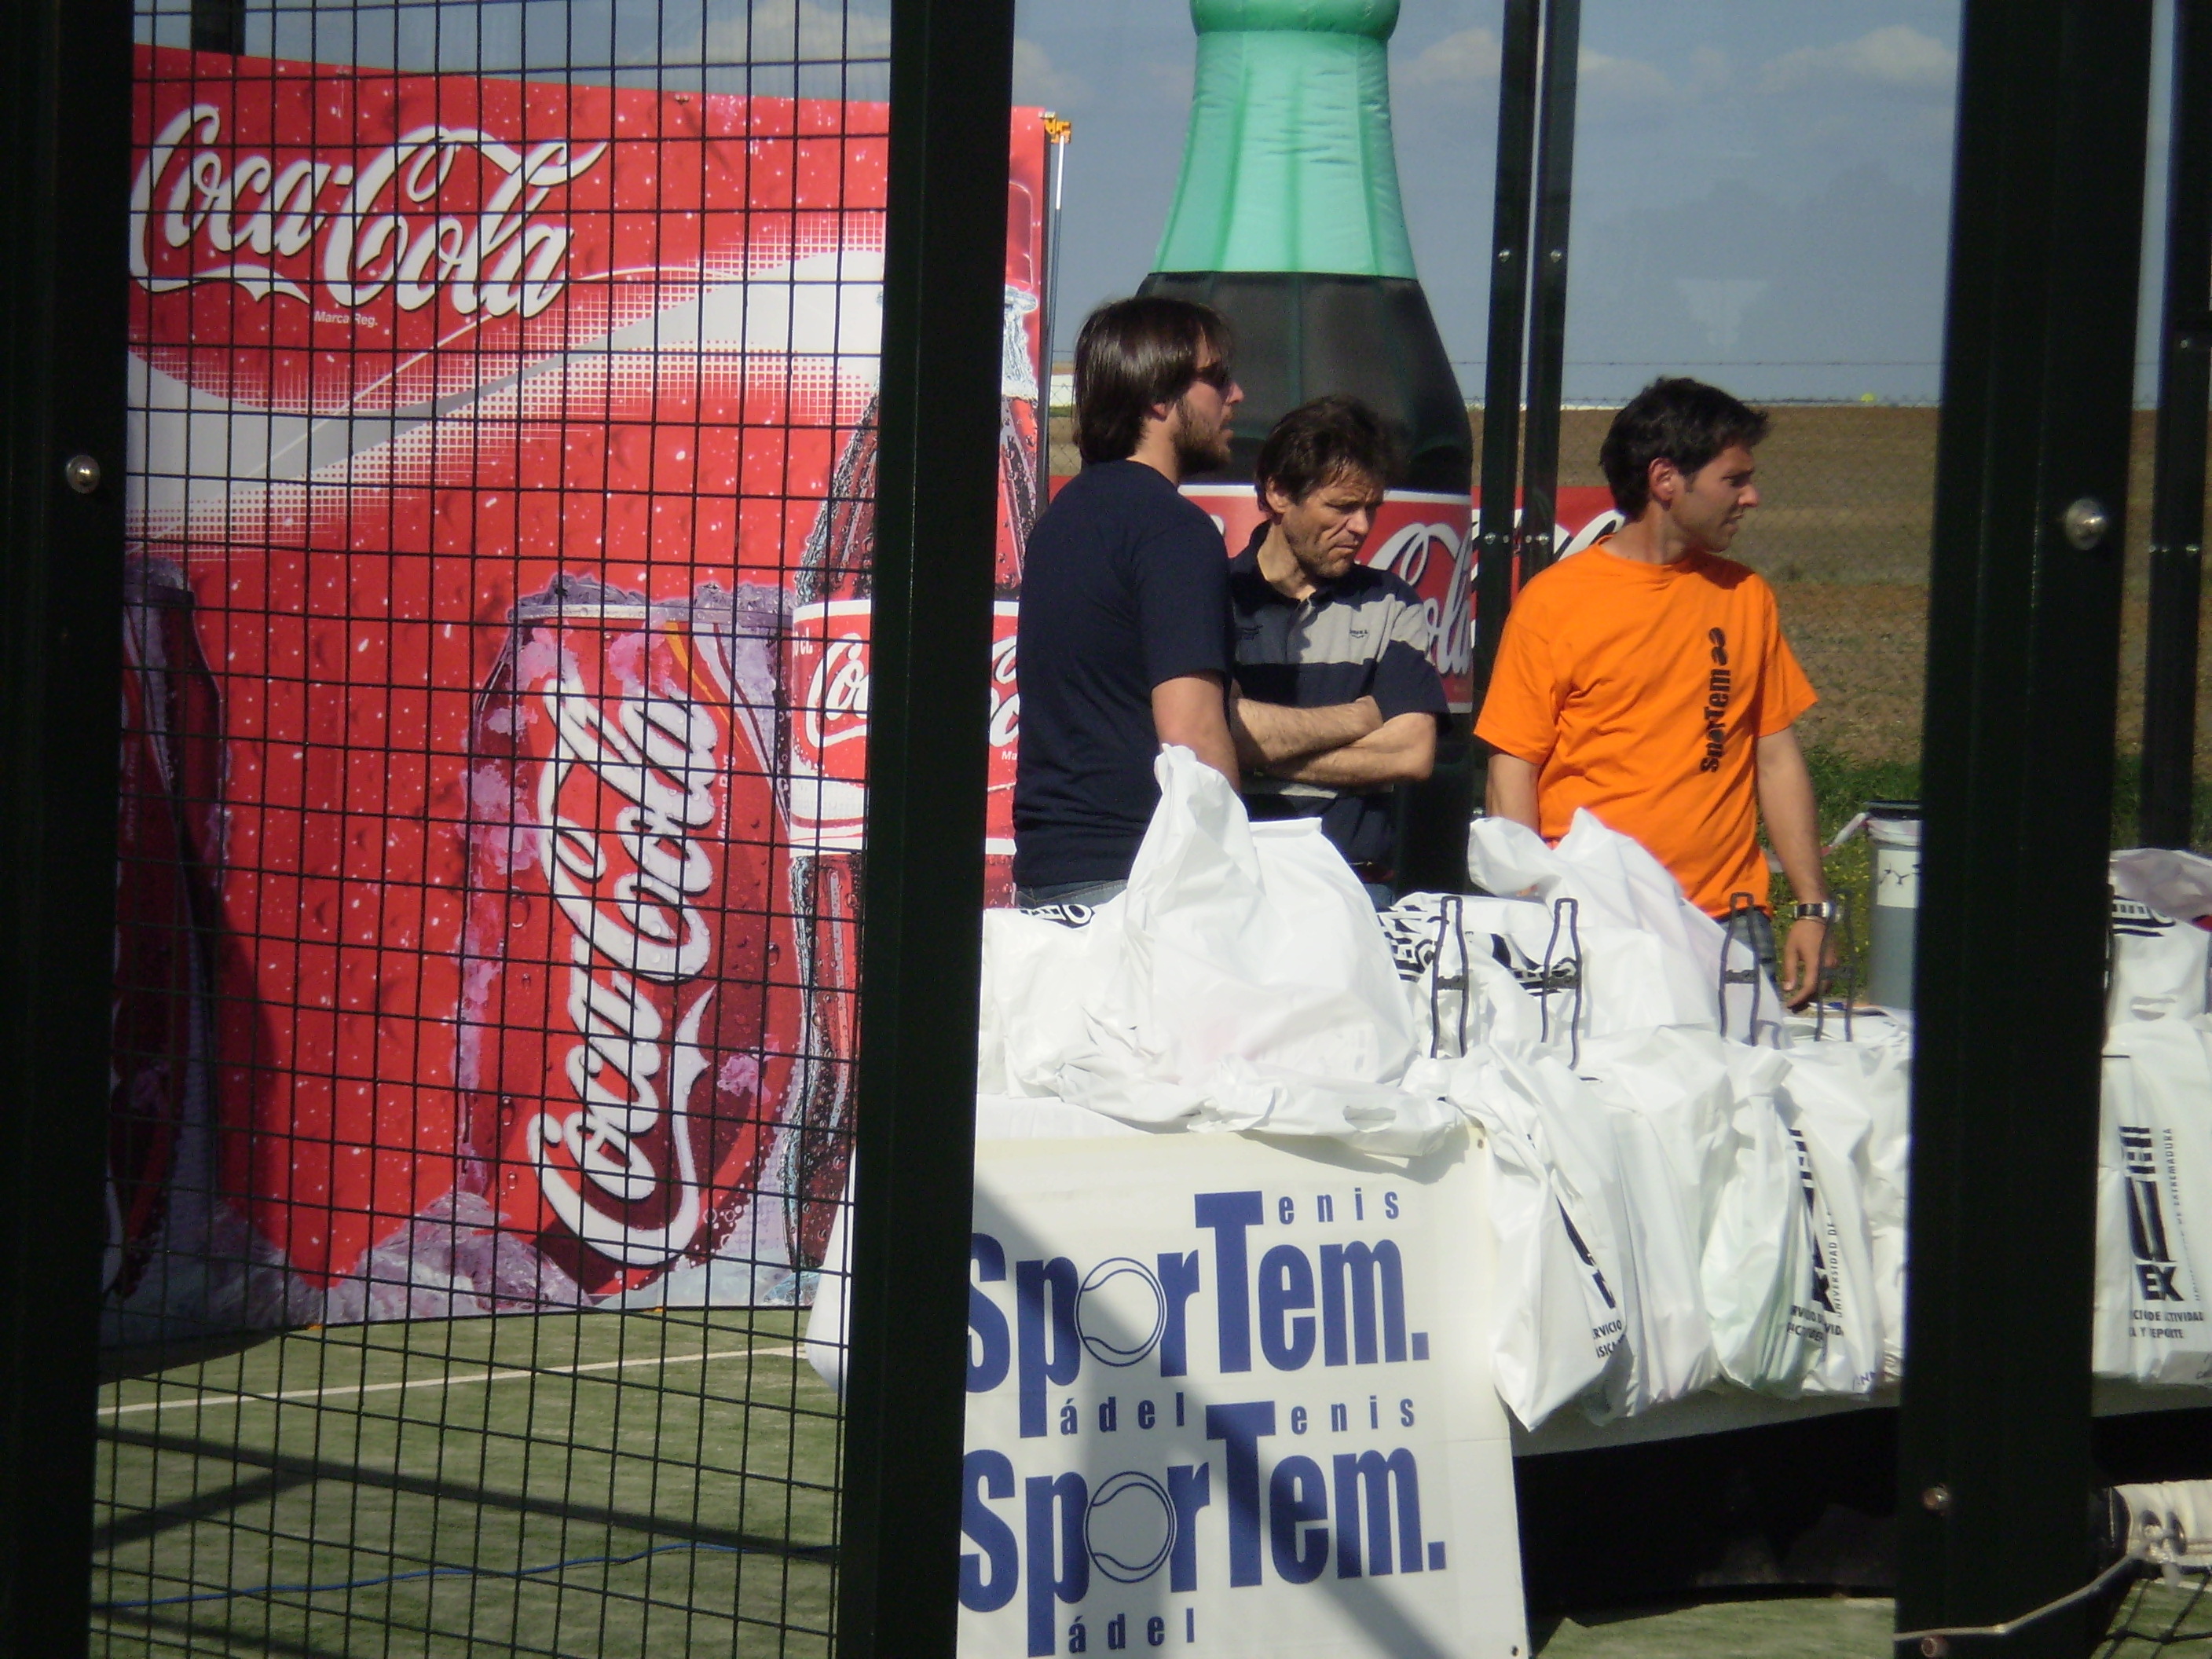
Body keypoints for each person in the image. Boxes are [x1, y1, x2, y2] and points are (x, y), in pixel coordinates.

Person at [1474, 376, 1836, 1005]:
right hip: (1598, 920)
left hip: (1728, 922)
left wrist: (1812, 907)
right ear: (1666, 480)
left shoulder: (1746, 596)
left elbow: (1776, 757)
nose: (1751, 498)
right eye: (1734, 480)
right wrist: (1535, 916)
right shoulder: (1555, 603)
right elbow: (1512, 772)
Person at [1012, 296, 1245, 908]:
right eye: (1217, 377)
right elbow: (1192, 737)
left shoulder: (1061, 520)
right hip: (1140, 882)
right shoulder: (1174, 529)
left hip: (1049, 875)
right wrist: (1239, 874)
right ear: (1158, 397)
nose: (1236, 395)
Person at [1226, 396, 1448, 903]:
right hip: (1239, 884)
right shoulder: (1213, 598)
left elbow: (1412, 753)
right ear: (1279, 494)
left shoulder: (1393, 603)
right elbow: (1212, 733)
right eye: (1343, 507)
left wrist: (1259, 754)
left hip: (1357, 886)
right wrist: (1362, 716)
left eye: (1371, 508)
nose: (1362, 527)